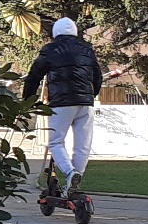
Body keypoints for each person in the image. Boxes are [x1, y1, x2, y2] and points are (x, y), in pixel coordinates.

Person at [22, 17, 104, 199]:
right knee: (83, 145)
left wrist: (28, 99)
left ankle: (69, 172)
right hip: (85, 103)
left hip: (62, 102)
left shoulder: (50, 50)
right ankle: (74, 181)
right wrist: (91, 95)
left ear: (55, 33)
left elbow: (34, 76)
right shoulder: (87, 49)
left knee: (56, 142)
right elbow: (97, 76)